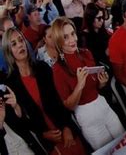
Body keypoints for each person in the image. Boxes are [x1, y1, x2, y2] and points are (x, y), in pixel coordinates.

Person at [2, 27, 87, 155]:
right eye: (14, 44)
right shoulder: (10, 83)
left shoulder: (43, 68)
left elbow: (59, 100)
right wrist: (42, 134)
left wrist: (66, 127)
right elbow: (20, 122)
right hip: (46, 143)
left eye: (21, 40)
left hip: (66, 131)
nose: (20, 45)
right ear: (8, 51)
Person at [50, 17, 124, 150]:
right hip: (86, 116)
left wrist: (102, 82)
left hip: (102, 104)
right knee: (107, 151)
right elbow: (69, 106)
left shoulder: (86, 53)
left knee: (125, 141)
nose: (72, 40)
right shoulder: (57, 69)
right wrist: (79, 85)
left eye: (73, 34)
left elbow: (96, 87)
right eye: (66, 37)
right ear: (59, 41)